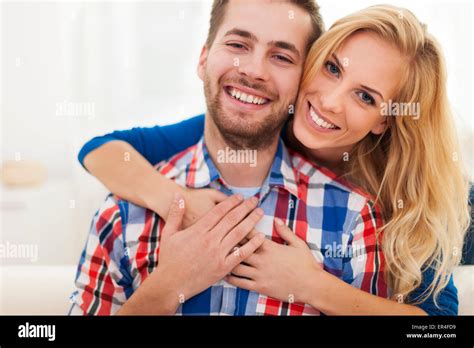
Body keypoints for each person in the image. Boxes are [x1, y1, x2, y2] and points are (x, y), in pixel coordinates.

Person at [73, 3, 471, 315]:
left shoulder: (398, 194)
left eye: (365, 96)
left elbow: (437, 327)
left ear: (387, 119)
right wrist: (180, 204)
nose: (330, 103)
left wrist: (310, 284)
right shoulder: (255, 120)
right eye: (332, 69)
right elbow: (101, 150)